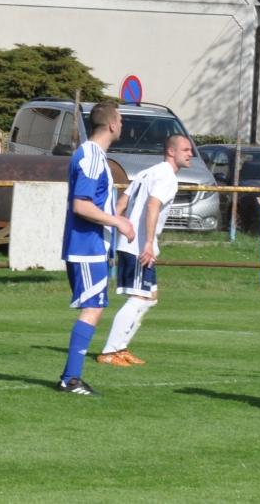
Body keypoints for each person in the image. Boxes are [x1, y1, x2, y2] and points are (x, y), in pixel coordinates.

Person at [58, 101, 135, 395]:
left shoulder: (94, 155)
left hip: (91, 246)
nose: (122, 125)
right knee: (93, 308)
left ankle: (71, 378)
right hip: (86, 246)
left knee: (95, 308)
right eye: (121, 120)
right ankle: (71, 379)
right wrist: (118, 222)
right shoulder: (91, 155)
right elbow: (81, 205)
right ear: (112, 125)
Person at [96, 134, 193, 367]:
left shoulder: (146, 172)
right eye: (186, 149)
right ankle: (109, 351)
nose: (190, 154)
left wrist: (111, 235)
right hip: (138, 246)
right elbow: (152, 205)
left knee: (150, 298)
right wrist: (147, 243)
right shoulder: (167, 176)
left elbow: (121, 204)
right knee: (138, 298)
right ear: (171, 151)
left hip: (131, 243)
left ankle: (121, 348)